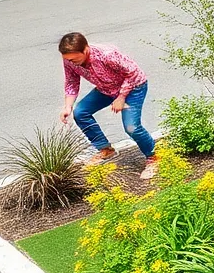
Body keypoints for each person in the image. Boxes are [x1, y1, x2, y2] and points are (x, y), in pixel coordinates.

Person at [58, 32, 159, 180]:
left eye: (73, 59)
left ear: (85, 49)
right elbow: (72, 81)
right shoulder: (69, 60)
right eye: (68, 60)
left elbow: (133, 73)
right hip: (106, 89)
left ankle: (153, 158)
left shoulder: (107, 55)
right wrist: (68, 106)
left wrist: (121, 97)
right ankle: (106, 149)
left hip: (133, 87)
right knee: (80, 113)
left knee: (132, 127)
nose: (70, 62)